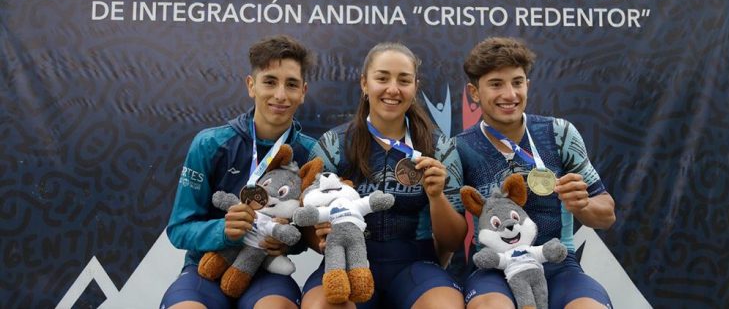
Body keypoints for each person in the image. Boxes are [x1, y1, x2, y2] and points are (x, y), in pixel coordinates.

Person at [300, 42, 466, 309]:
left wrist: (436, 197)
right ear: (365, 83)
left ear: (415, 86)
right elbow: (307, 228)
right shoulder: (333, 144)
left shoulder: (440, 147)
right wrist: (320, 236)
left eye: (404, 80)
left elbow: (453, 241)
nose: (393, 89)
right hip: (345, 262)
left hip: (415, 265)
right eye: (382, 78)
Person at [456, 37, 616, 309]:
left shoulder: (559, 133)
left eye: (517, 82)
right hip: (494, 270)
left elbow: (607, 214)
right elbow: (448, 235)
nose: (510, 95)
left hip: (558, 266)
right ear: (474, 92)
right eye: (496, 84)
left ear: (527, 85)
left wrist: (583, 205)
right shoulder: (459, 148)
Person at [160, 35, 317, 309]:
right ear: (251, 85)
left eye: (291, 84)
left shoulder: (311, 154)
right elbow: (179, 228)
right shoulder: (210, 144)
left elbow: (307, 229)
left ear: (303, 92)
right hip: (206, 268)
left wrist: (287, 244)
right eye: (269, 81)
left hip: (266, 271)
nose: (280, 94)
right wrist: (223, 230)